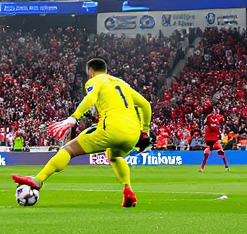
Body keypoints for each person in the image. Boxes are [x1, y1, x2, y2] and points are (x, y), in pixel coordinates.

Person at [12, 58, 150, 208]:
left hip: (111, 128)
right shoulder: (122, 84)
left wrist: (74, 117)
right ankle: (128, 189)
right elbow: (145, 105)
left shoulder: (95, 81)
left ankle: (38, 180)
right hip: (132, 134)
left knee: (68, 149)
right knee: (114, 155)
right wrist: (144, 132)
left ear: (90, 71)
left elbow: (90, 98)